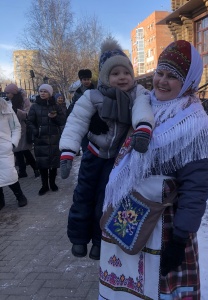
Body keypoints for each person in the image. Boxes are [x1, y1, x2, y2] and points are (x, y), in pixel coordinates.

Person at [98, 40, 208, 300]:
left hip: (166, 227)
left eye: (172, 76)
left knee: (159, 289)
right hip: (129, 218)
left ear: (189, 81)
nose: (162, 81)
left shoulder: (195, 126)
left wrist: (179, 239)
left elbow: (195, 188)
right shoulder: (142, 105)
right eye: (159, 73)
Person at [59, 37, 155, 261]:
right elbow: (76, 122)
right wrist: (67, 152)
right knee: (83, 195)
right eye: (115, 74)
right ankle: (79, 239)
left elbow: (143, 109)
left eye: (126, 73)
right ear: (104, 76)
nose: (122, 77)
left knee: (106, 200)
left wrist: (143, 128)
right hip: (94, 155)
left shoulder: (137, 94)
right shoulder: (92, 97)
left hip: (116, 160)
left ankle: (99, 242)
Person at [26, 84, 66, 196]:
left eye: (45, 91)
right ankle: (44, 185)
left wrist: (55, 118)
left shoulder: (55, 106)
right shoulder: (34, 106)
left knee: (53, 163)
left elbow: (62, 120)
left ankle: (52, 183)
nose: (42, 93)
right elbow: (29, 121)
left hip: (54, 138)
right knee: (42, 163)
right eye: (41, 91)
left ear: (50, 93)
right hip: (41, 139)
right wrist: (36, 132)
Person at [4, 84, 40, 178]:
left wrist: (17, 111)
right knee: (17, 151)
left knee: (25, 151)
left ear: (13, 92)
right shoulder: (8, 102)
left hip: (23, 129)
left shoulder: (24, 100)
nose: (7, 95)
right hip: (12, 129)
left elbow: (28, 114)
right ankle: (22, 171)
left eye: (8, 93)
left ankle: (36, 168)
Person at [0, 97, 28, 210]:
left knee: (9, 174)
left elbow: (16, 127)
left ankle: (20, 196)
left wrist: (12, 143)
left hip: (4, 148)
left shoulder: (6, 108)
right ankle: (1, 200)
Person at [67, 69, 95, 153]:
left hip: (94, 121)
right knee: (85, 145)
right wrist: (69, 113)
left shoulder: (95, 90)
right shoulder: (78, 92)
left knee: (94, 145)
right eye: (84, 79)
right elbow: (73, 104)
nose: (86, 81)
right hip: (82, 121)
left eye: (88, 79)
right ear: (81, 80)